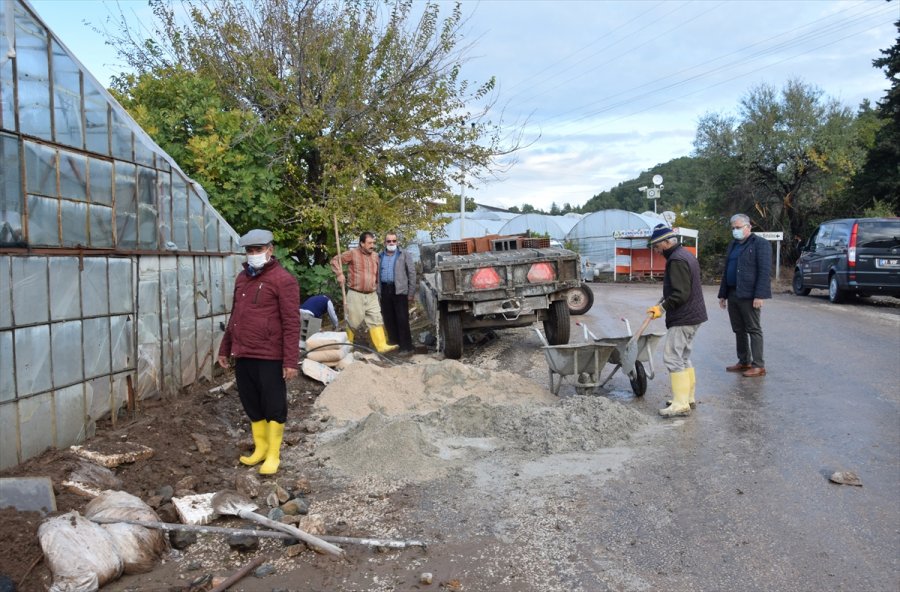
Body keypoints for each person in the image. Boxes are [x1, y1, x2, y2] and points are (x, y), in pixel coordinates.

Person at [217, 229, 300, 475]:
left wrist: (291, 361)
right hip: (244, 353)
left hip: (270, 354)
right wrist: (226, 347)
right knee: (251, 402)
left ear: (270, 250)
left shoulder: (283, 280)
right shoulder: (242, 278)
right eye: (250, 251)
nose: (254, 255)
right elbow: (235, 316)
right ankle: (260, 449)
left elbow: (291, 322)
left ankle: (273, 454)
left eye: (258, 250)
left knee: (273, 404)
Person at [646, 225, 708, 417]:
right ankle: (687, 398)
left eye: (657, 246)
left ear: (666, 242)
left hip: (684, 317)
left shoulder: (676, 260)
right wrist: (664, 299)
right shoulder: (685, 255)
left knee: (673, 357)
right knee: (683, 357)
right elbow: (679, 288)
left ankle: (680, 404)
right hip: (694, 315)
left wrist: (662, 308)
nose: (656, 250)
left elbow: (681, 294)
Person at [717, 214, 772, 377]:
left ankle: (758, 365)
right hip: (733, 292)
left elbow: (764, 271)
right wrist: (723, 294)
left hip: (750, 294)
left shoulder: (760, 244)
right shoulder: (733, 245)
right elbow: (727, 270)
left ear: (748, 227)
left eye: (738, 227)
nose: (735, 231)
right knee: (738, 329)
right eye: (733, 228)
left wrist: (759, 295)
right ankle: (744, 361)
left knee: (753, 329)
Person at [330, 231, 397, 353]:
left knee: (376, 318)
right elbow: (335, 260)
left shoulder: (376, 256)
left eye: (373, 243)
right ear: (361, 243)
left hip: (372, 294)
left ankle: (381, 346)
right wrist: (339, 274)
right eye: (369, 243)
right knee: (353, 321)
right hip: (356, 294)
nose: (372, 245)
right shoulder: (352, 254)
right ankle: (348, 345)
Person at [377, 232, 417, 355]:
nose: (391, 243)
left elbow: (412, 273)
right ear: (384, 243)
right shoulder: (379, 256)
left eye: (394, 241)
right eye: (389, 241)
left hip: (400, 291)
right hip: (385, 290)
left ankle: (406, 347)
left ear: (397, 242)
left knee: (402, 318)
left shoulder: (404, 255)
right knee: (388, 318)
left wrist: (411, 292)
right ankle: (394, 343)